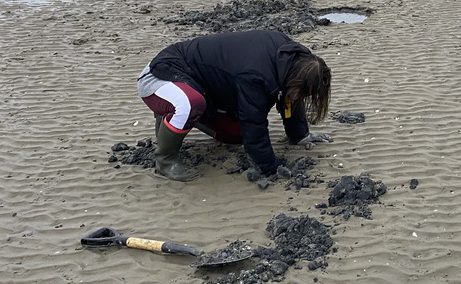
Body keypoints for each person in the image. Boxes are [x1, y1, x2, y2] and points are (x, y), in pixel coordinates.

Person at [136, 29, 332, 181]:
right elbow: (253, 120)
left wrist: (299, 135)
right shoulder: (256, 74)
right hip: (163, 74)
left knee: (236, 134)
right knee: (190, 104)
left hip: (204, 88)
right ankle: (165, 161)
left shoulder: (295, 59)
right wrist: (268, 167)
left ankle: (184, 117)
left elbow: (290, 95)